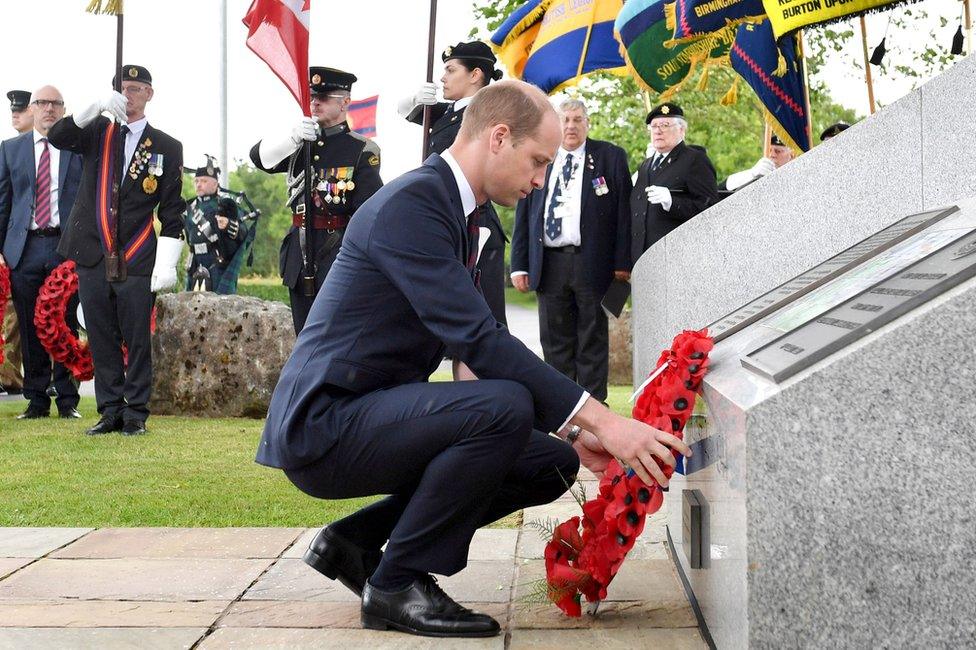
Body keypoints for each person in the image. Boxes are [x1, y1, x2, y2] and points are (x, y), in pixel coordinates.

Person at [258, 80, 691, 639]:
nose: (540, 181)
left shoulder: (460, 212)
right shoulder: (412, 204)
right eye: (537, 161)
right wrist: (605, 421)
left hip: (369, 410)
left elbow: (475, 351)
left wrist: (570, 432)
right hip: (325, 424)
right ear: (499, 137)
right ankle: (395, 585)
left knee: (549, 461)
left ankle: (355, 543)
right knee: (504, 408)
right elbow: (482, 341)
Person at [49, 65, 185, 436]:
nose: (131, 95)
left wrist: (167, 263)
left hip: (137, 254)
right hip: (93, 250)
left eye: (139, 89)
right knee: (100, 332)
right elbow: (57, 135)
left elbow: (172, 211)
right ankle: (110, 409)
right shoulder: (96, 133)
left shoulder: (166, 147)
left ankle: (136, 411)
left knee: (137, 336)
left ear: (150, 94)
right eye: (124, 89)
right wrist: (95, 105)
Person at [510, 98, 631, 402]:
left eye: (577, 119)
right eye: (565, 120)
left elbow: (623, 215)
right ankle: (562, 408)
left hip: (592, 262)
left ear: (587, 123)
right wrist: (519, 264)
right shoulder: (540, 156)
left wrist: (622, 263)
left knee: (592, 339)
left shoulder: (610, 157)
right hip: (549, 262)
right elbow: (525, 211)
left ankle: (596, 410)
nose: (571, 126)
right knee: (554, 341)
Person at [250, 67, 383, 334]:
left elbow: (366, 213)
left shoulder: (361, 150)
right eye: (312, 97)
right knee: (303, 333)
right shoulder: (299, 144)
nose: (315, 103)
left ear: (345, 102)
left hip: (336, 252)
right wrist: (292, 139)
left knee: (334, 334)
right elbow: (259, 159)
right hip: (299, 254)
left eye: (323, 97)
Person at [398, 41, 508, 325]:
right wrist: (415, 100)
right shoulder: (449, 113)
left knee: (483, 322)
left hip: (474, 225)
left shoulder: (489, 116)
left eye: (450, 69)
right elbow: (402, 110)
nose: (443, 78)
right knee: (452, 324)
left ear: (475, 75)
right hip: (446, 222)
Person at [0, 86, 83, 418]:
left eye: (56, 103)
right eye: (43, 103)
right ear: (32, 109)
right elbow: (3, 203)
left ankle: (67, 399)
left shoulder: (76, 148)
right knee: (30, 323)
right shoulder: (10, 150)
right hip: (25, 247)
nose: (49, 108)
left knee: (65, 321)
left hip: (66, 245)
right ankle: (36, 400)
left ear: (63, 110)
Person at [631, 102, 718, 265]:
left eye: (665, 125)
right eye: (654, 126)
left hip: (677, 257)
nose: (658, 130)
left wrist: (672, 202)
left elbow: (710, 209)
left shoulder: (694, 160)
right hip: (644, 259)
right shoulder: (646, 165)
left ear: (681, 130)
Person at [1, 90, 33, 396]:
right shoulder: (8, 150)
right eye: (13, 111)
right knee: (12, 317)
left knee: (50, 314)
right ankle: (9, 377)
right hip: (14, 249)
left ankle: (56, 379)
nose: (15, 114)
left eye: (21, 111)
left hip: (43, 243)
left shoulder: (50, 148)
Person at [183, 158, 247, 293]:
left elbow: (243, 231)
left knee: (220, 306)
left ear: (215, 184)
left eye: (204, 181)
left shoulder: (225, 205)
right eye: (196, 181)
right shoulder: (189, 207)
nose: (199, 184)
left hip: (217, 262)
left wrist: (229, 224)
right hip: (194, 262)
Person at [720, 134, 794, 192]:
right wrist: (752, 174)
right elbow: (720, 191)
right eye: (769, 150)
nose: (772, 155)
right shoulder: (755, 174)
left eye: (778, 151)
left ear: (791, 155)